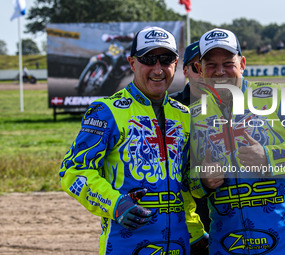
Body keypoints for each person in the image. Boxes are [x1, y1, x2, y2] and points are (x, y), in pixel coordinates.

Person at [59, 26, 206, 255]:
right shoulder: (106, 111)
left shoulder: (184, 115)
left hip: (178, 245)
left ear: (175, 64)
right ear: (132, 63)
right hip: (126, 245)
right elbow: (73, 171)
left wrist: (196, 232)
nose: (158, 69)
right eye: (148, 59)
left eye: (165, 59)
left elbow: (183, 186)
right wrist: (116, 204)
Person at [188, 28, 285, 254]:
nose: (220, 72)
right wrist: (203, 181)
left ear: (242, 63)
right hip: (226, 244)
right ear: (200, 70)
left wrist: (269, 156)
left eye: (228, 63)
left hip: (283, 242)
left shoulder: (278, 95)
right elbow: (189, 184)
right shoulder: (192, 115)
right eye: (211, 65)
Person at [170, 41, 211, 233]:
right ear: (185, 71)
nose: (203, 72)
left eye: (208, 65)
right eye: (196, 67)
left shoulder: (238, 104)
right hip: (186, 208)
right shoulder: (169, 107)